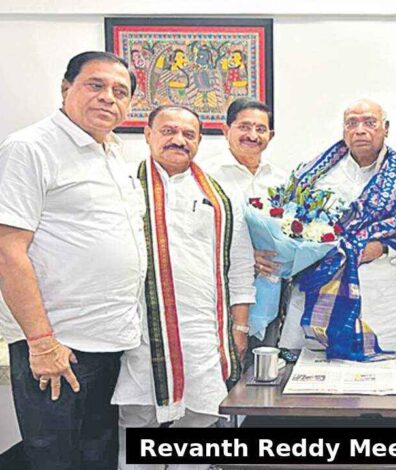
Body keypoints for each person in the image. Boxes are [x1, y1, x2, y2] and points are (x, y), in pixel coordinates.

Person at [0, 51, 145, 469]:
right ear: (66, 89)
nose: (108, 97)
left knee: (97, 457)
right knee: (55, 461)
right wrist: (42, 342)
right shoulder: (31, 148)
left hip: (108, 342)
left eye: (120, 91)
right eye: (95, 85)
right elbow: (8, 250)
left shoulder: (112, 154)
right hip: (58, 345)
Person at [111, 106, 255, 470]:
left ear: (199, 141)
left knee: (201, 416)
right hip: (141, 330)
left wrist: (239, 327)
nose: (179, 140)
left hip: (202, 330)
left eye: (189, 134)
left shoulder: (221, 196)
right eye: (168, 131)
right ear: (148, 134)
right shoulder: (123, 185)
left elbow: (240, 265)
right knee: (138, 420)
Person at [279, 99, 396, 353]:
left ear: (386, 128)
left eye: (370, 122)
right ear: (344, 130)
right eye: (352, 123)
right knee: (318, 375)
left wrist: (383, 247)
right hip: (321, 300)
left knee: (391, 373)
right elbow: (288, 222)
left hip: (387, 306)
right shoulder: (314, 175)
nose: (360, 130)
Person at [204, 98, 287, 347]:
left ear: (271, 136)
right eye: (244, 127)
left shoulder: (281, 180)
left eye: (260, 129)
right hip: (219, 293)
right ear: (226, 130)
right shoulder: (206, 176)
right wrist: (244, 257)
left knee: (264, 360)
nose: (252, 135)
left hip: (271, 291)